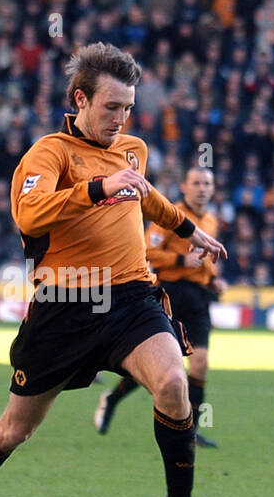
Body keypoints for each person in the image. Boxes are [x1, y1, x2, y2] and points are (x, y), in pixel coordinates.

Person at [0, 43, 227, 497]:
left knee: (175, 385)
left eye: (128, 108)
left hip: (130, 296)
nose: (121, 118)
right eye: (111, 107)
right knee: (15, 430)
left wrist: (187, 227)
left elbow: (144, 194)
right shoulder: (49, 154)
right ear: (80, 98)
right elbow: (29, 212)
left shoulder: (133, 148)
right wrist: (96, 187)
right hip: (63, 303)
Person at [94, 165, 226, 448]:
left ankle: (191, 430)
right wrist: (180, 262)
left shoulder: (212, 222)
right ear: (185, 187)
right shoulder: (170, 216)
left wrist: (214, 279)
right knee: (163, 366)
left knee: (199, 364)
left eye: (207, 183)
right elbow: (146, 249)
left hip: (199, 298)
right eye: (197, 182)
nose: (202, 188)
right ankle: (112, 399)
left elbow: (205, 260)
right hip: (171, 293)